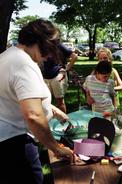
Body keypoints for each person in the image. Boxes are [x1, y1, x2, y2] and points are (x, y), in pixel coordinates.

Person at [0, 19, 74, 183]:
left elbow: (15, 97)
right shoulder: (24, 64)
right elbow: (33, 114)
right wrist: (56, 148)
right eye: (50, 47)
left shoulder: (7, 56)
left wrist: (52, 109)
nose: (48, 55)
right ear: (39, 42)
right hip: (17, 144)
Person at [41, 41, 78, 113]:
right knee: (45, 102)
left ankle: (63, 123)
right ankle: (48, 121)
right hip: (44, 76)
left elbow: (74, 56)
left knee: (60, 102)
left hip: (57, 76)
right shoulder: (41, 44)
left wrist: (67, 68)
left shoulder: (58, 45)